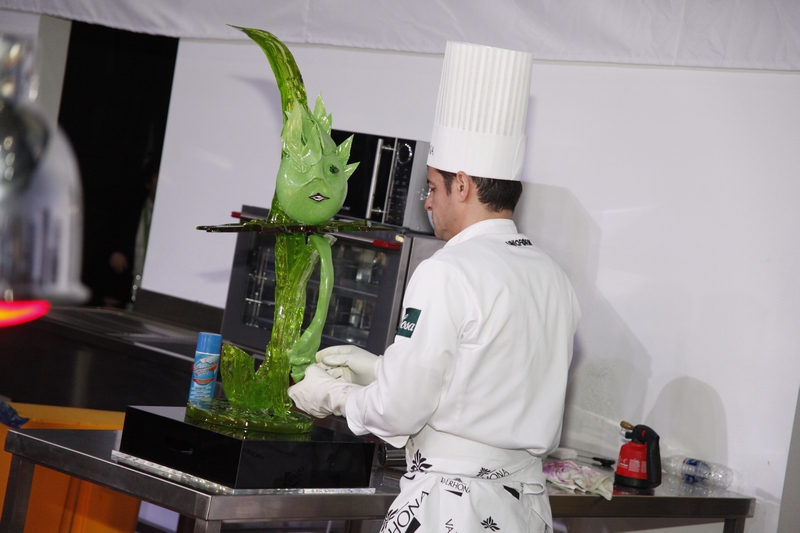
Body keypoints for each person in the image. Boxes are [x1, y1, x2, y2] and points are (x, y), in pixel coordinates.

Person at [289, 41, 581, 533]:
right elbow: (483, 380)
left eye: (433, 187)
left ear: (462, 186)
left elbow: (396, 413)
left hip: (454, 507)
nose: (427, 203)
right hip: (523, 511)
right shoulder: (553, 275)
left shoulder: (449, 269)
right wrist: (381, 369)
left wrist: (335, 395)